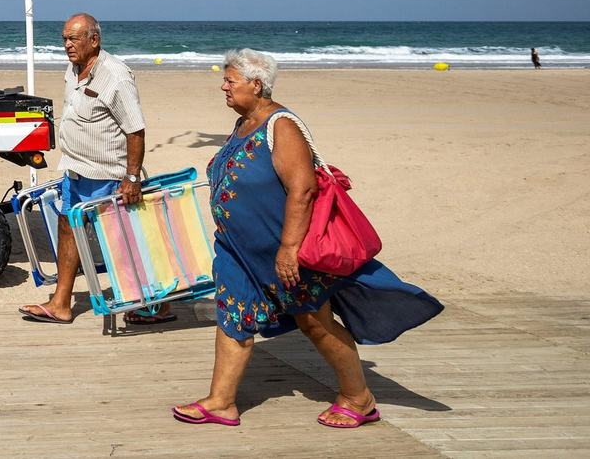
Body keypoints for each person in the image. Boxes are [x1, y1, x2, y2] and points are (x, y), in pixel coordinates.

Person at [172, 49, 443, 429]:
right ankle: (221, 402)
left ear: (256, 84)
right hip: (240, 253)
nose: (223, 86)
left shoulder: (280, 125)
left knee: (314, 322)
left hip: (283, 252)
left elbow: (303, 189)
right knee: (232, 316)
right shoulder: (244, 123)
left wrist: (288, 249)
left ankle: (358, 397)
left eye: (230, 80)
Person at [19, 14, 172, 325]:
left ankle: (156, 304)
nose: (67, 45)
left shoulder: (115, 76)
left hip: (107, 174)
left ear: (94, 40)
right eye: (64, 39)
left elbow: (136, 130)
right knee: (67, 226)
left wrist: (131, 177)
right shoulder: (73, 69)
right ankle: (61, 302)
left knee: (119, 239)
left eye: (74, 39)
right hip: (75, 169)